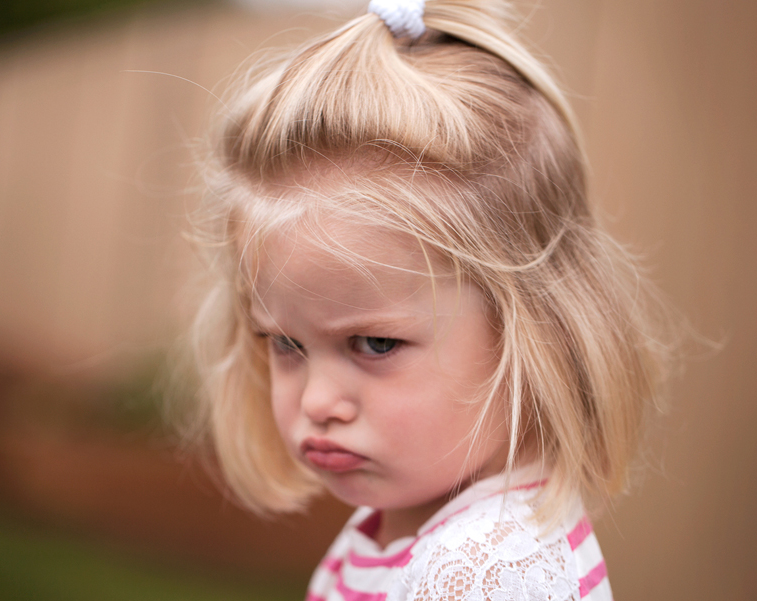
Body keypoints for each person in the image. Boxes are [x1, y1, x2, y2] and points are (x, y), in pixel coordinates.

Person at [184, 1, 673, 599]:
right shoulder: (417, 529)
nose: (317, 401)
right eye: (286, 343)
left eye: (376, 343)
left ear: (537, 330)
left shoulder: (483, 574)